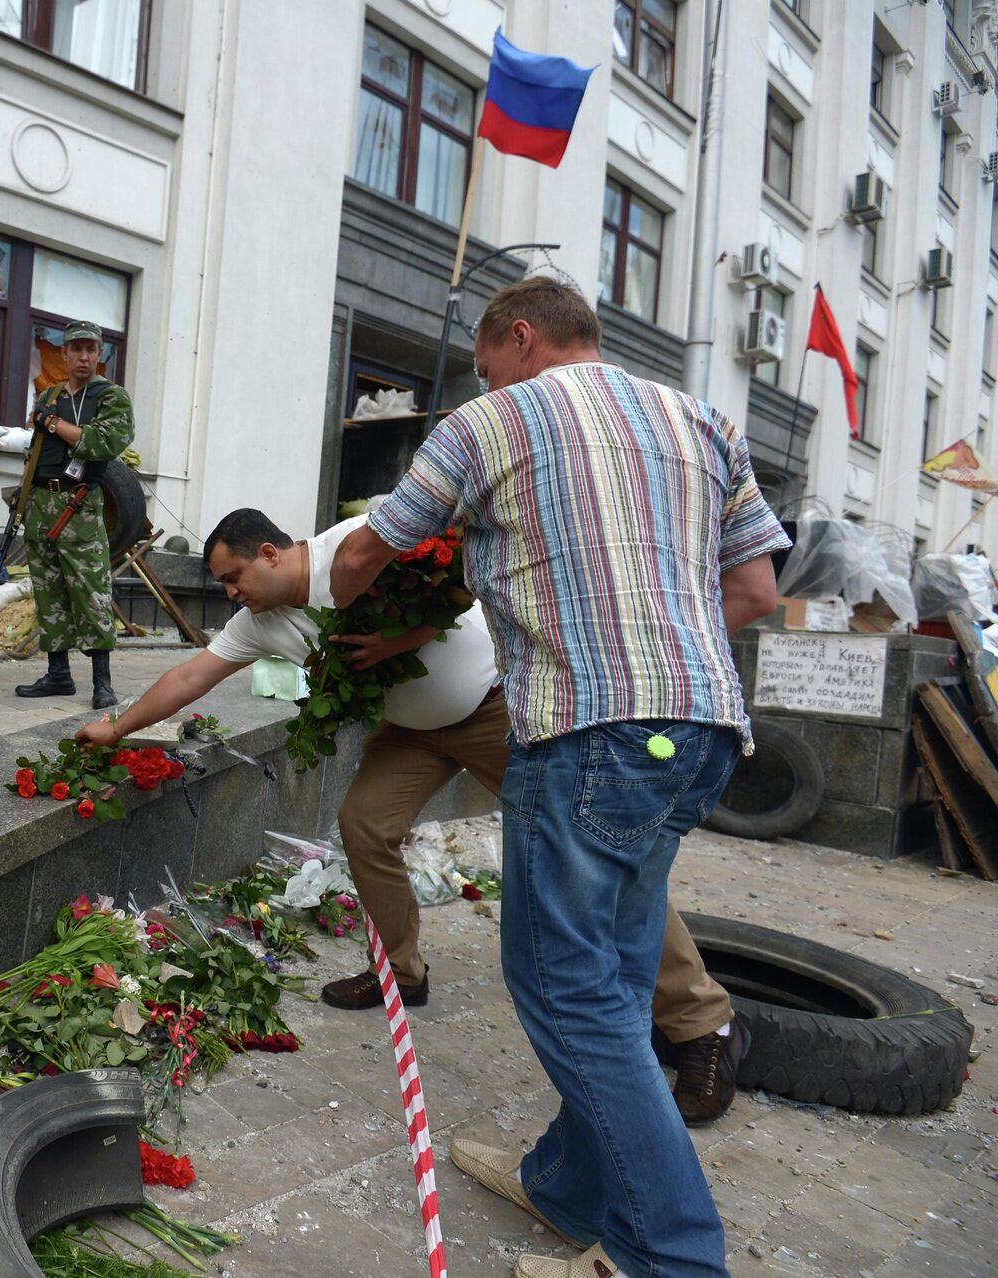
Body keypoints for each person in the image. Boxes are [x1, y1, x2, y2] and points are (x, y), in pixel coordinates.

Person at [328, 276, 789, 1278]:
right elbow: (756, 586)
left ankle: (664, 1255)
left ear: (521, 339)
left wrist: (340, 591)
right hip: (702, 731)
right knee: (615, 978)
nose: (487, 380)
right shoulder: (702, 418)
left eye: (490, 363)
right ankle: (567, 1187)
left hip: (587, 734)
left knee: (564, 986)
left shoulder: (489, 421)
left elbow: (370, 544)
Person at [77, 505, 749, 1127]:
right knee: (365, 822)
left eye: (233, 577)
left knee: (590, 852)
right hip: (412, 731)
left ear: (271, 554)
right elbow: (191, 676)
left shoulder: (364, 543)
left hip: (498, 711)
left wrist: (407, 639)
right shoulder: (256, 623)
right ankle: (401, 971)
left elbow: (484, 568)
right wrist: (117, 726)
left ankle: (703, 1024)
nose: (230, 593)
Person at [13, 320, 135, 710]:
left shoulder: (111, 397)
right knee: (49, 592)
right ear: (63, 353)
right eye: (75, 349)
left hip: (79, 505)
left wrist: (54, 423)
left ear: (100, 355)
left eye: (91, 349)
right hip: (41, 503)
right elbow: (36, 452)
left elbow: (103, 442)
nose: (83, 356)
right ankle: (58, 674)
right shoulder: (48, 395)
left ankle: (102, 682)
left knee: (92, 592)